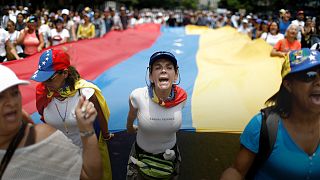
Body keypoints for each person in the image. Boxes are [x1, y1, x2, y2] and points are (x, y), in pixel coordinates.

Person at [220, 48, 320, 180]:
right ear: (288, 85)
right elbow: (237, 171)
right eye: (309, 75)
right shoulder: (262, 126)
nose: (319, 82)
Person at [0, 64, 102, 179]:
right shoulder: (43, 95)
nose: (12, 102)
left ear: (65, 74)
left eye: (14, 93)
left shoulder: (44, 137)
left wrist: (87, 129)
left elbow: (91, 177)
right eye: (0, 97)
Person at [30, 48, 112, 180]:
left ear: (65, 73)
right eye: (42, 79)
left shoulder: (85, 92)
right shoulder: (43, 94)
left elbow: (101, 118)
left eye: (49, 79)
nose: (45, 83)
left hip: (87, 158)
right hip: (57, 159)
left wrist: (106, 135)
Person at [126, 51, 187, 180]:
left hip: (170, 158)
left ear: (176, 75)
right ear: (150, 76)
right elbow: (131, 116)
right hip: (140, 156)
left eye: (169, 67)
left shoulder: (182, 98)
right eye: (158, 67)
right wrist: (130, 127)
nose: (163, 71)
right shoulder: (137, 96)